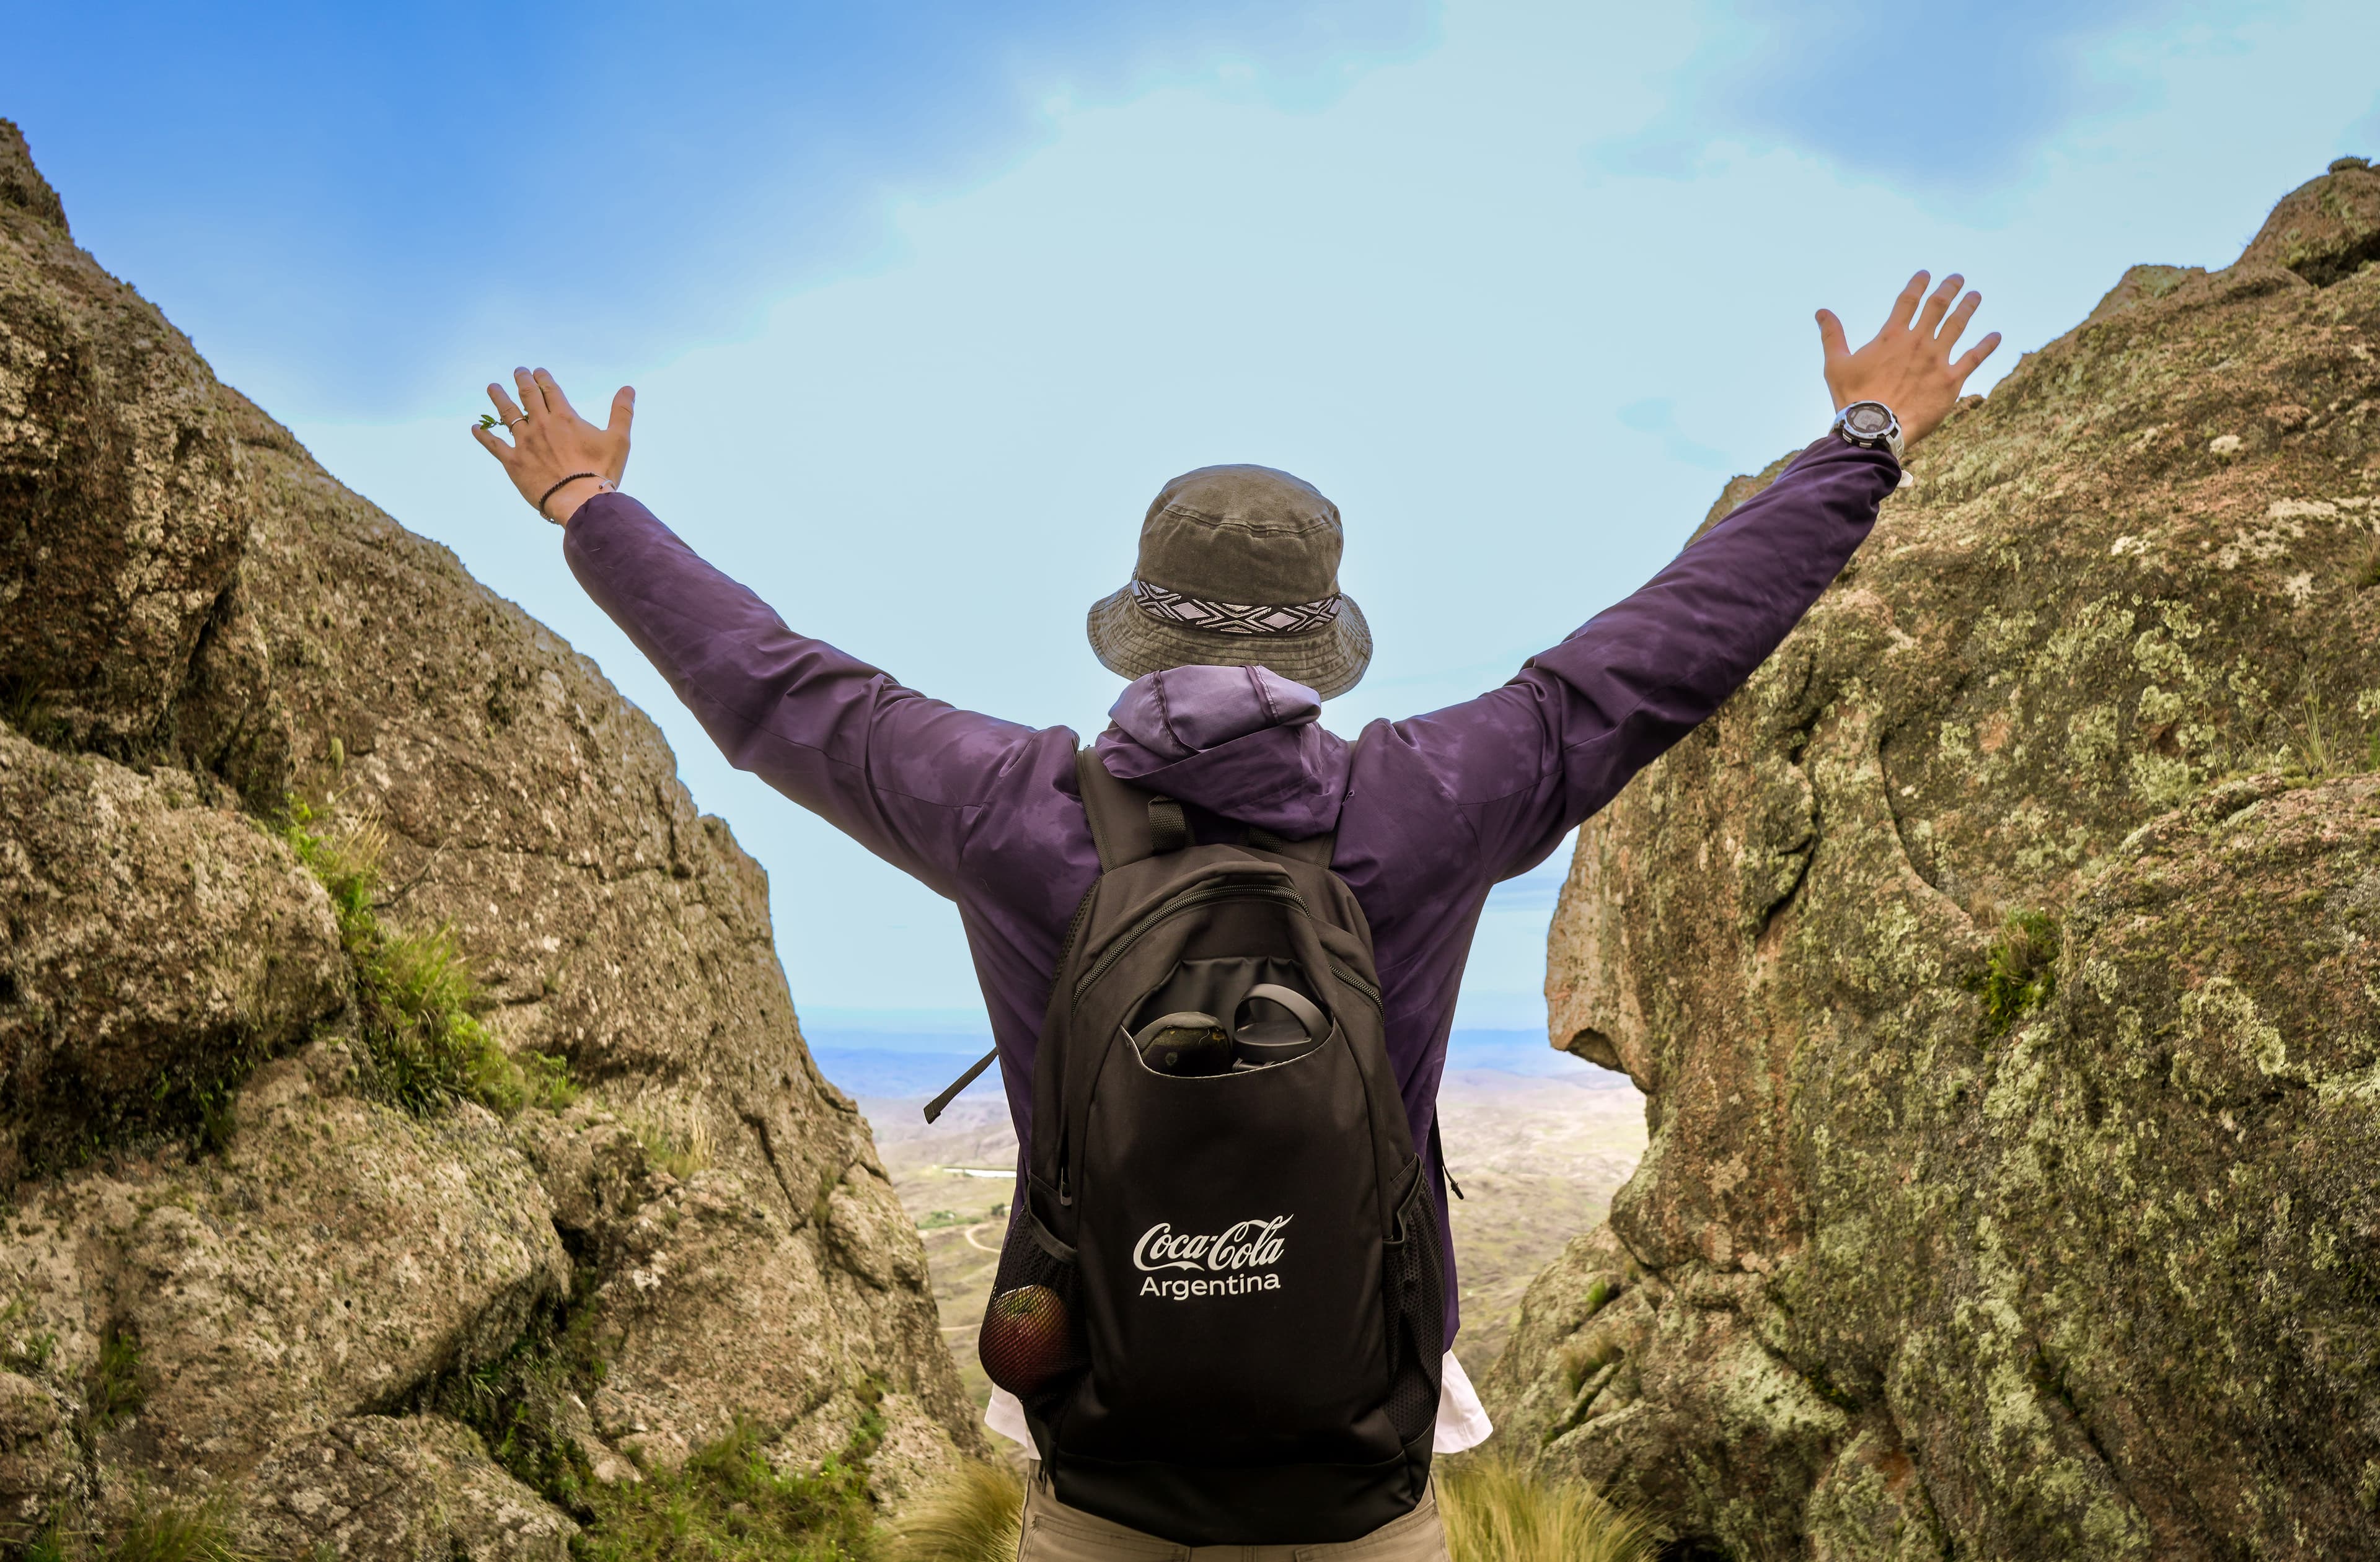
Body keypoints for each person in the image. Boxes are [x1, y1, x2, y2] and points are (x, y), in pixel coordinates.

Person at [472, 271, 1998, 1558]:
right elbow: (1657, 653)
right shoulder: (1433, 800)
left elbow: (775, 689)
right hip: (1361, 1479)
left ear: (1140, 629)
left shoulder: (1011, 811)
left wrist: (588, 507)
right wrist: (1860, 442)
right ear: (1325, 644)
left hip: (1103, 1468)